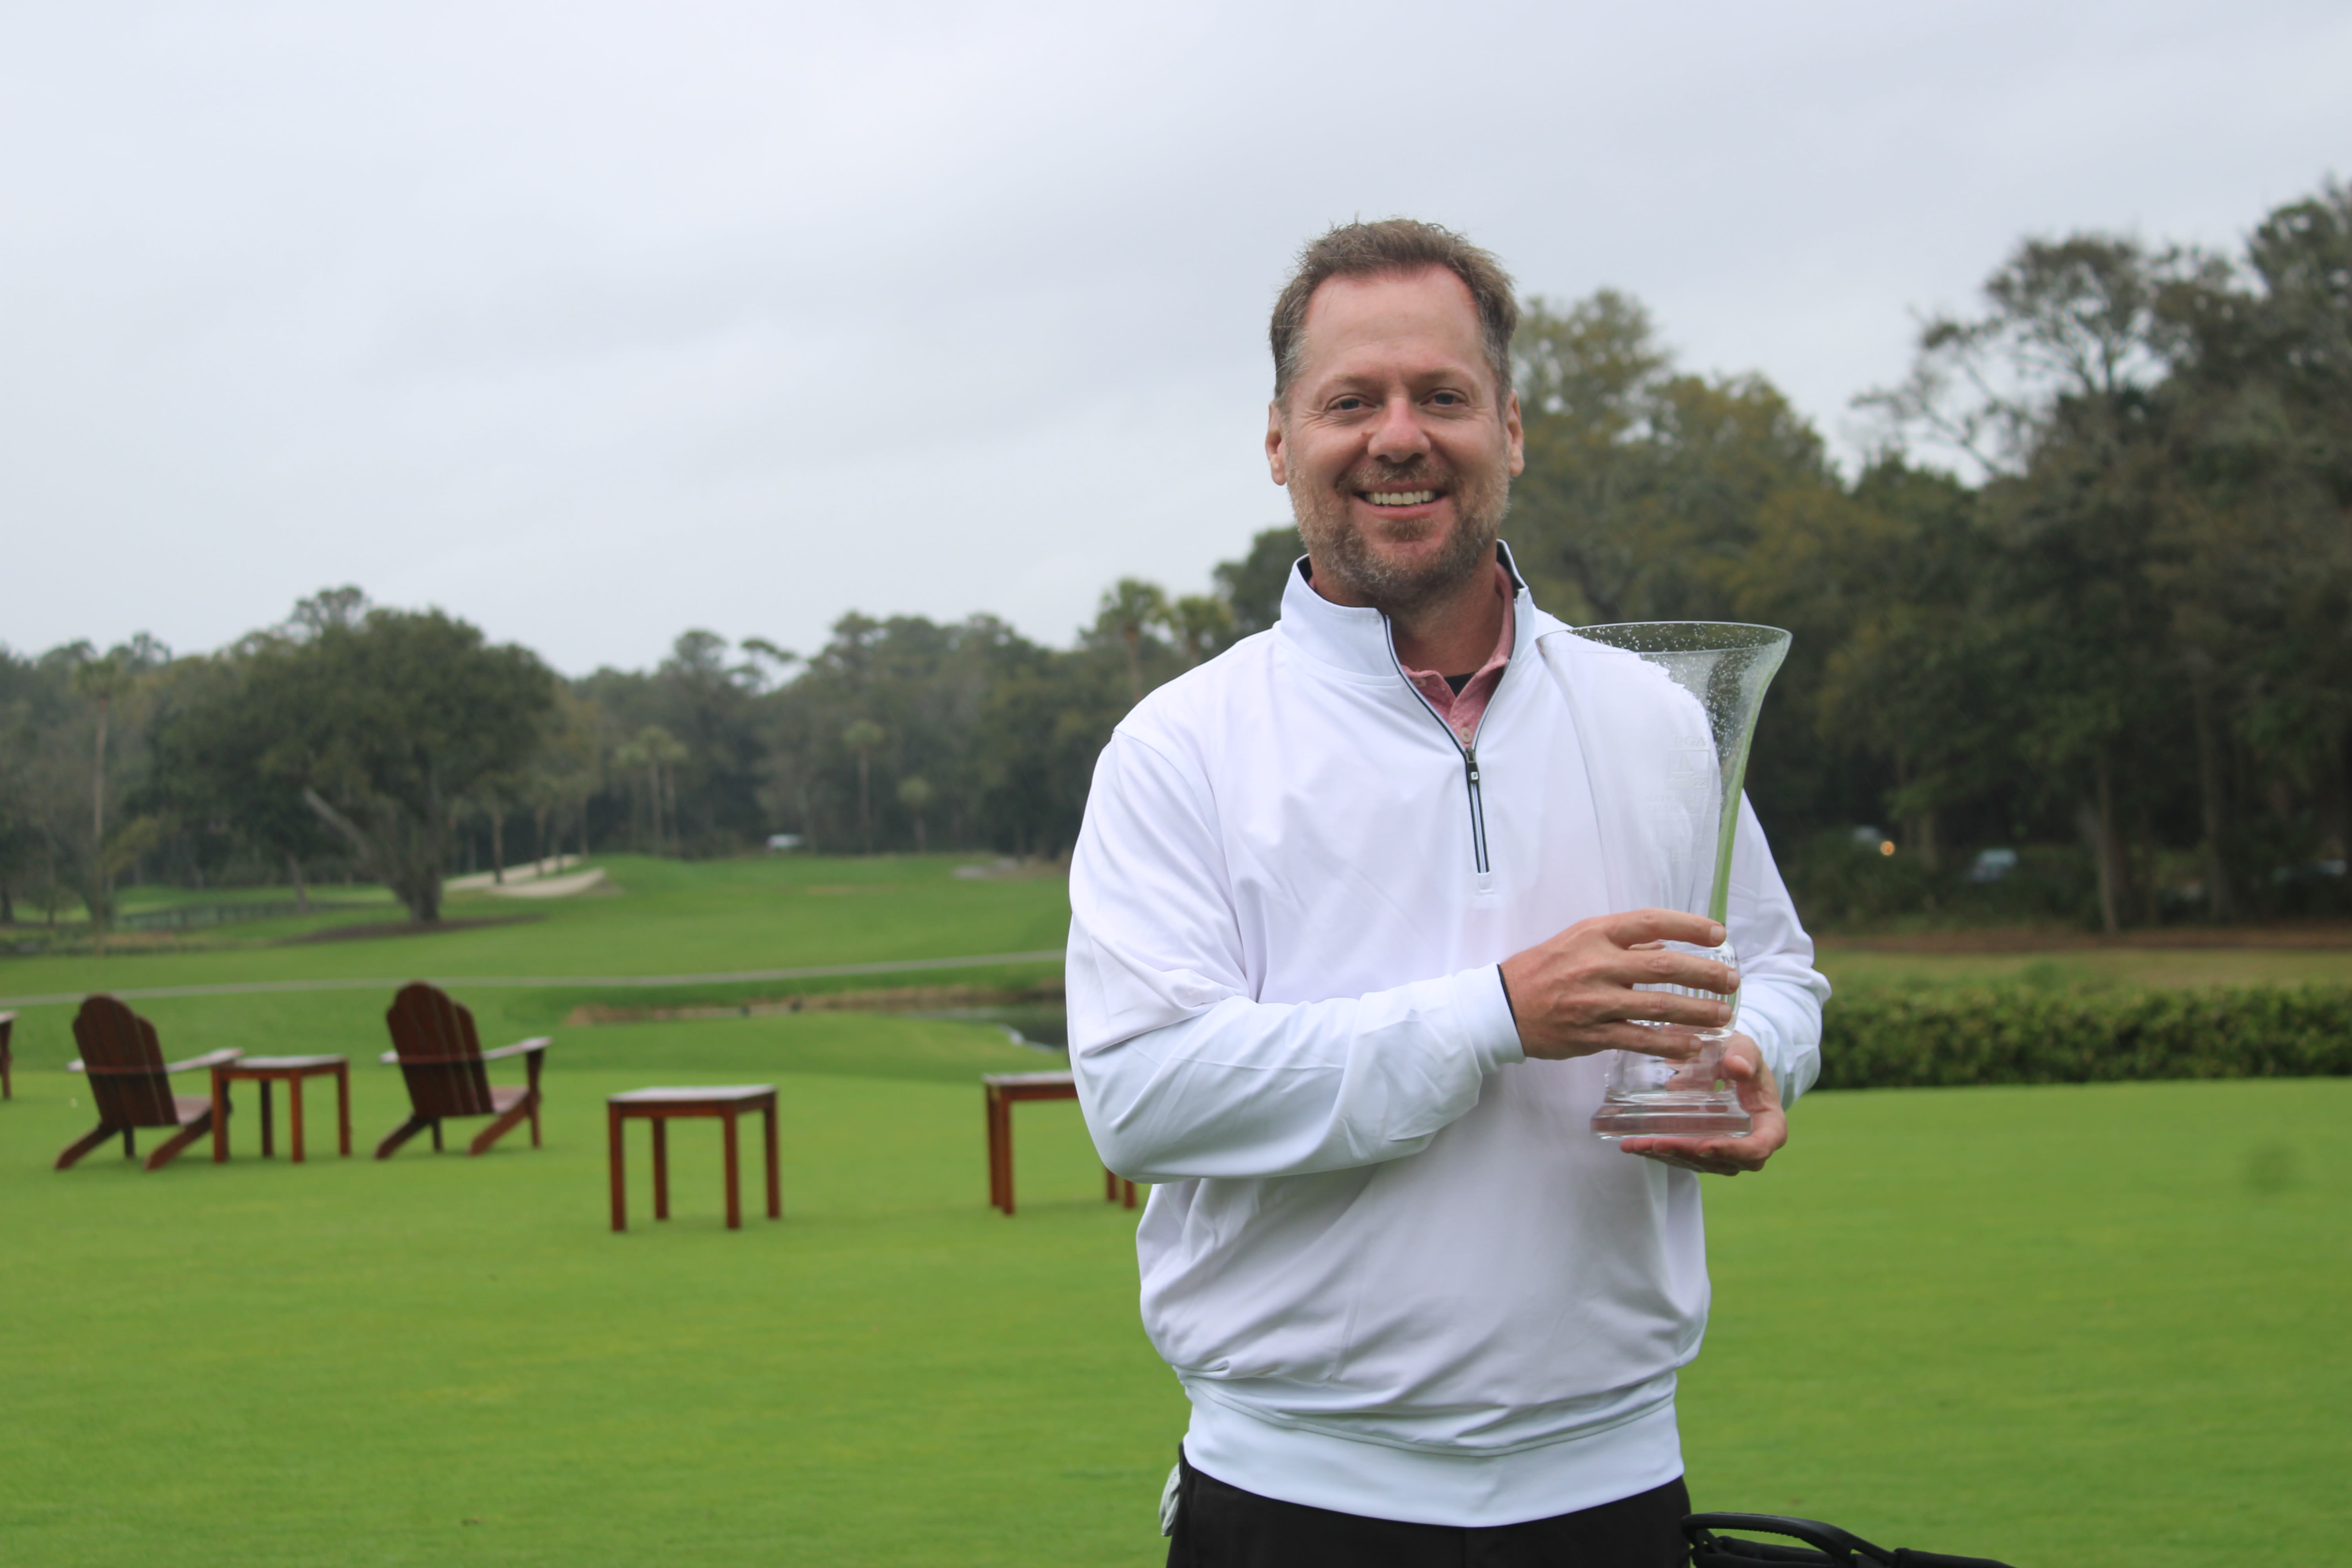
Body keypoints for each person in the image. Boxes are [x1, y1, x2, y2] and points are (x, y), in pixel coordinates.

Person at [1065, 218, 1829, 1567]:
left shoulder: (1653, 718)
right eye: (1350, 401)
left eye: (1444, 397)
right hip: (1294, 1500)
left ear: (1512, 430)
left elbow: (1773, 968)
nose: (1399, 436)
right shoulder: (1183, 744)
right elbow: (1142, 1098)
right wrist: (1493, 1015)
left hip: (1615, 1484)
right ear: (1280, 442)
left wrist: (1762, 1054)